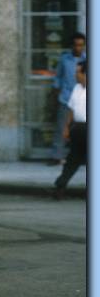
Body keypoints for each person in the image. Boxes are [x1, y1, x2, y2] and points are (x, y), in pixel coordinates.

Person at [51, 33, 86, 165]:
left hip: (82, 100)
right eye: (76, 45)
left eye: (81, 45)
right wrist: (56, 93)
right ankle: (56, 157)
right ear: (72, 45)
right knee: (61, 128)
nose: (78, 48)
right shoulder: (64, 59)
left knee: (83, 130)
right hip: (66, 98)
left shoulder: (88, 59)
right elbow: (58, 77)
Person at [53, 60, 87, 199]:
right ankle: (60, 186)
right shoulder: (77, 88)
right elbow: (71, 109)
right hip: (78, 128)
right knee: (73, 159)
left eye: (78, 72)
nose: (75, 75)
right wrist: (67, 127)